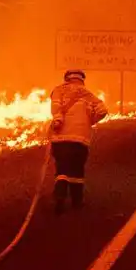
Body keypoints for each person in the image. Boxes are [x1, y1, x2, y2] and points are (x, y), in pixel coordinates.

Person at [49, 68, 108, 213]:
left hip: (61, 137)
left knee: (62, 167)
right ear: (82, 79)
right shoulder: (88, 95)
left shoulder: (58, 91)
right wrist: (90, 121)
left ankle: (60, 195)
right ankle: (77, 201)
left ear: (67, 78)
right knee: (77, 169)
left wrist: (57, 120)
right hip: (81, 139)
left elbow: (56, 108)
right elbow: (103, 111)